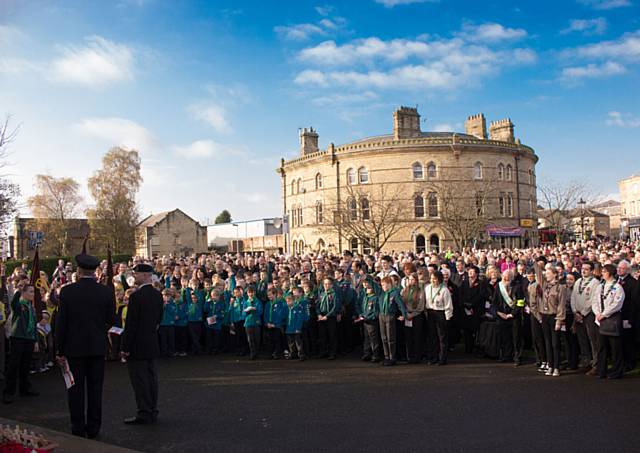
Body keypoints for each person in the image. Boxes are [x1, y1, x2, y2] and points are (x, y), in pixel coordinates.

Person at [54, 253, 115, 438]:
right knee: (96, 388)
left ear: (79, 271)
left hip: (73, 348)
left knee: (75, 389)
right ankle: (94, 427)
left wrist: (60, 349)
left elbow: (61, 323)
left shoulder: (67, 292)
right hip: (97, 347)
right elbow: (111, 319)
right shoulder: (105, 292)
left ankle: (78, 426)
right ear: (95, 271)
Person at [121, 263, 164, 425]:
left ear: (145, 275)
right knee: (151, 379)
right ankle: (152, 409)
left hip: (137, 346)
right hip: (152, 342)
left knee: (140, 381)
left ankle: (144, 412)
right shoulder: (157, 295)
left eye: (136, 274)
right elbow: (159, 319)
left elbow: (131, 325)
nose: (134, 276)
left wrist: (125, 348)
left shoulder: (136, 297)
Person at [3, 284, 38, 404]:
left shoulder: (31, 307)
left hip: (29, 338)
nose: (33, 294)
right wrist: (18, 291)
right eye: (30, 292)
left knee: (26, 365)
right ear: (24, 293)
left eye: (33, 292)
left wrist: (36, 340)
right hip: (18, 338)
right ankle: (8, 392)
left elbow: (34, 324)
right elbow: (13, 304)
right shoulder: (20, 305)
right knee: (14, 365)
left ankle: (25, 389)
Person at [593, 264, 625, 379]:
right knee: (601, 347)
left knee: (615, 348)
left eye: (604, 271)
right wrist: (597, 313)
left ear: (610, 273)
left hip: (612, 320)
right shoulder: (600, 287)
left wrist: (604, 314)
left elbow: (617, 304)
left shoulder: (617, 287)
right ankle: (602, 370)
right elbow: (594, 301)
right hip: (601, 320)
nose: (602, 273)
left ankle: (616, 371)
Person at [534, 266, 566, 377]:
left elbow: (561, 305)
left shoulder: (560, 287)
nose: (546, 275)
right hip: (544, 316)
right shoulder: (544, 286)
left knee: (555, 343)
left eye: (548, 273)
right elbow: (538, 273)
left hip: (554, 316)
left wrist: (559, 320)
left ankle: (556, 366)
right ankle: (550, 365)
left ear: (555, 274)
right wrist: (536, 261)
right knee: (547, 342)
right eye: (545, 273)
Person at [571, 261, 600, 374]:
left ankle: (596, 364)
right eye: (582, 268)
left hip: (588, 315)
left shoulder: (595, 283)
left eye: (586, 269)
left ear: (592, 271)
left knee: (592, 339)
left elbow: (592, 300)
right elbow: (573, 297)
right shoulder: (578, 281)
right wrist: (575, 312)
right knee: (582, 339)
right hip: (577, 314)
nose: (583, 271)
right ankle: (586, 362)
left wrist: (582, 313)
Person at [425, 270, 454, 365]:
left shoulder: (444, 290)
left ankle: (442, 358)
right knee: (432, 337)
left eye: (435, 279)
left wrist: (447, 318)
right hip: (430, 313)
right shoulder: (427, 288)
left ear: (439, 279)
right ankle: (433, 357)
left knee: (442, 337)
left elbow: (448, 305)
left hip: (440, 313)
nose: (433, 281)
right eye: (432, 278)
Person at [378, 276, 406, 366]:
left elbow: (400, 304)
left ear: (389, 284)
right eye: (382, 285)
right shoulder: (381, 293)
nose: (383, 287)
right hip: (382, 316)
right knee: (384, 337)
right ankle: (386, 356)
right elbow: (373, 285)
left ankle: (392, 357)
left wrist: (403, 314)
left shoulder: (394, 293)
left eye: (384, 285)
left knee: (391, 337)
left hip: (390, 316)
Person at [616, 260, 638, 371]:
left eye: (622, 268)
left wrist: (629, 319)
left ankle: (630, 363)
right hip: (616, 317)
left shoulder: (633, 283)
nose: (619, 270)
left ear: (628, 270)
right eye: (618, 267)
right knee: (619, 341)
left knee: (628, 341)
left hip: (627, 316)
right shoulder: (615, 281)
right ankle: (621, 362)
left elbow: (633, 303)